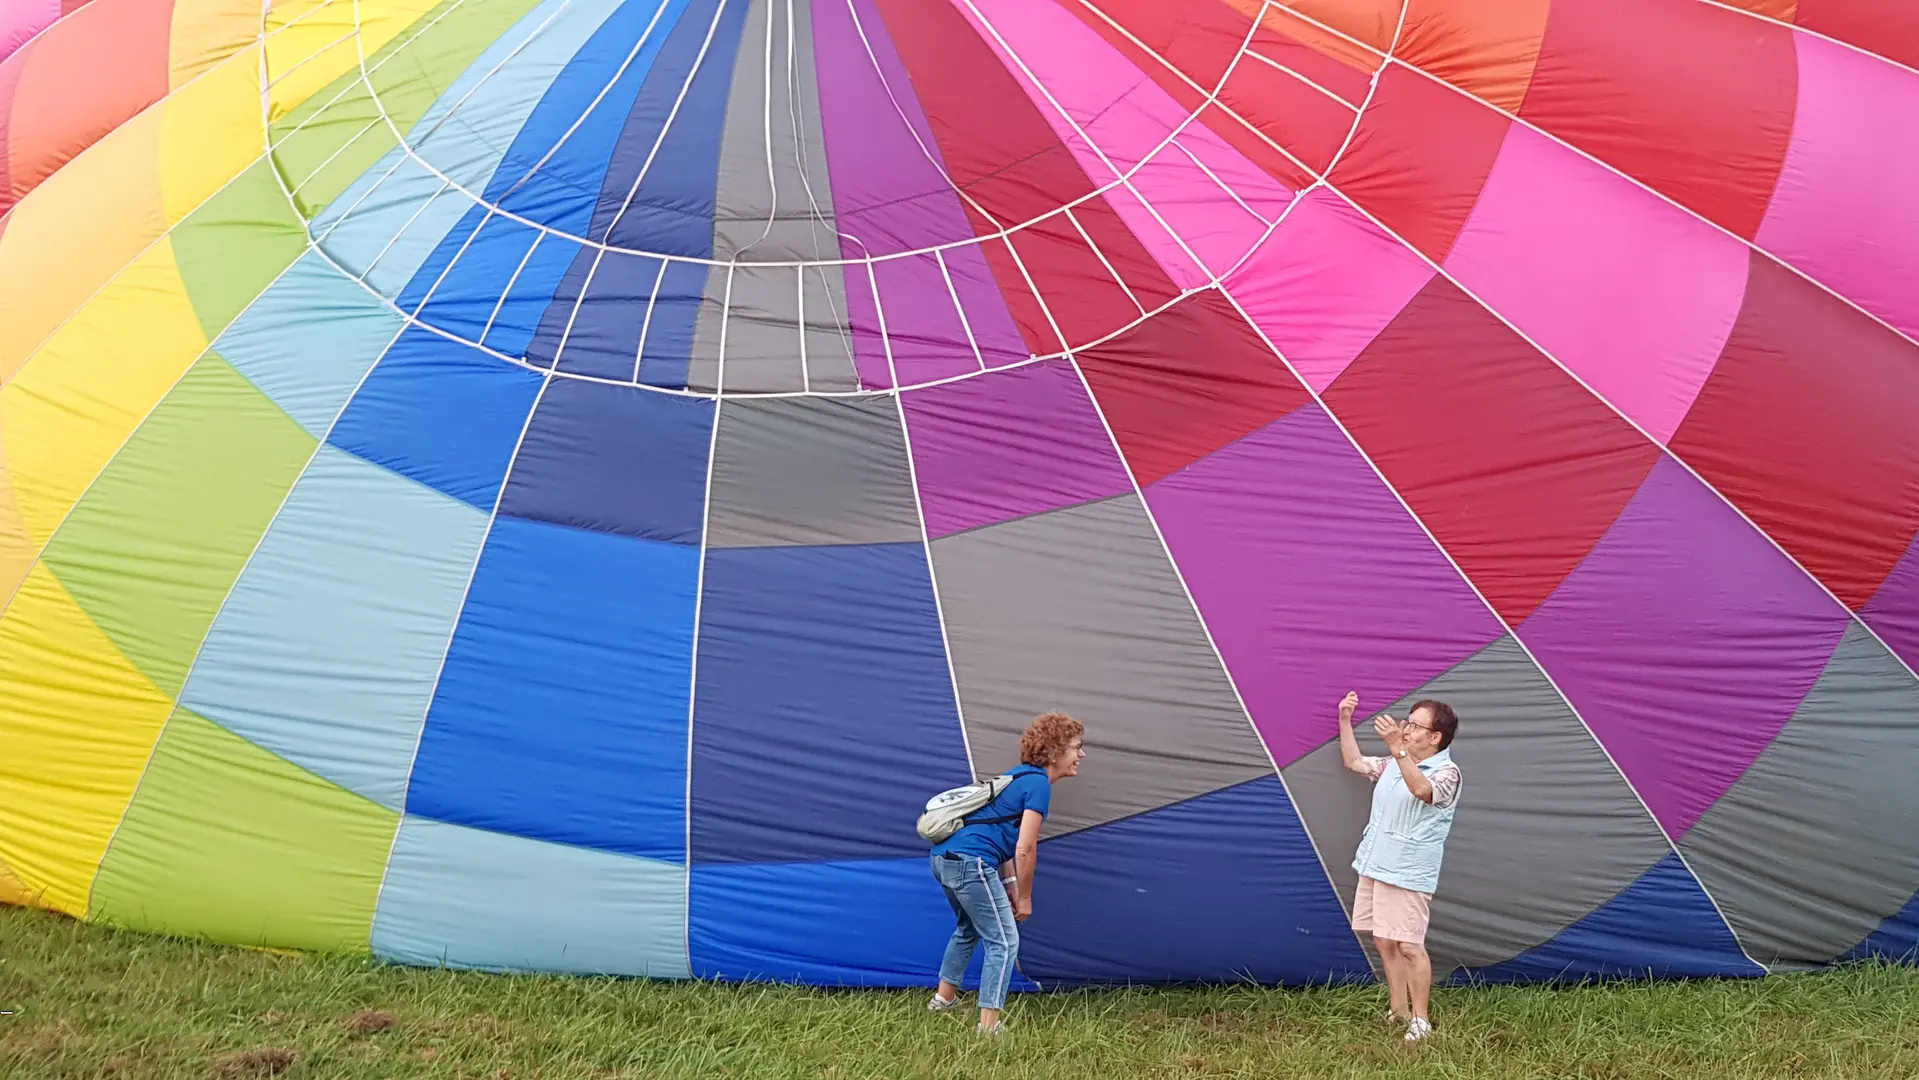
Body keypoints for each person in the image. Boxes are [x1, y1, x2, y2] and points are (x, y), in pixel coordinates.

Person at [926, 711, 1085, 1035]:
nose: (1081, 754)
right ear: (1055, 752)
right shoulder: (1039, 784)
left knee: (968, 928)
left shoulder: (1018, 777)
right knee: (1003, 940)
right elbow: (1025, 848)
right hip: (972, 862)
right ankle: (989, 1026)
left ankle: (943, 1000)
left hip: (944, 858)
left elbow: (1000, 836)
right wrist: (1024, 898)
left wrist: (1012, 883)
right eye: (1076, 747)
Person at [1336, 691, 1461, 1044]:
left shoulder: (1448, 772)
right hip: (1377, 863)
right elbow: (1354, 762)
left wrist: (1398, 750)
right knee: (1383, 939)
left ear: (1435, 737)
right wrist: (1345, 720)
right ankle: (1398, 1010)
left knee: (1409, 944)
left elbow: (1422, 790)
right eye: (1406, 722)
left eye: (1415, 726)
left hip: (1407, 872)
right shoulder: (1394, 762)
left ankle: (1421, 1020)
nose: (1405, 729)